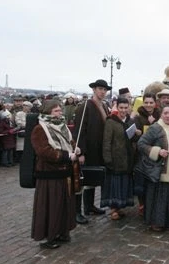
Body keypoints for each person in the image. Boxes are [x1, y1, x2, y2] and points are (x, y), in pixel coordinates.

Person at [31, 100, 79, 249]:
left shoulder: (63, 127)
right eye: (56, 111)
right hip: (49, 174)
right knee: (51, 206)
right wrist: (66, 156)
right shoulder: (40, 129)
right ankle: (50, 237)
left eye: (60, 110)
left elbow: (70, 142)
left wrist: (76, 149)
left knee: (64, 204)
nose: (60, 113)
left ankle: (63, 232)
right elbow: (44, 151)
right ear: (47, 112)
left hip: (65, 172)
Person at [138, 104, 169, 231]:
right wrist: (157, 151)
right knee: (159, 198)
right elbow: (141, 144)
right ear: (161, 114)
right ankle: (156, 222)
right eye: (165, 113)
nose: (168, 115)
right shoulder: (155, 128)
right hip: (160, 170)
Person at [73, 79, 111, 224]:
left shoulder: (105, 106)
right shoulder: (85, 106)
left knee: (92, 178)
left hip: (97, 149)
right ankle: (77, 211)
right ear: (94, 90)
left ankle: (89, 206)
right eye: (100, 89)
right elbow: (79, 130)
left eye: (104, 90)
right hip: (86, 150)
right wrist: (80, 152)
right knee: (81, 181)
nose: (102, 92)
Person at [101, 97, 136, 220]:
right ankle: (113, 209)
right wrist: (107, 159)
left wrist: (137, 135)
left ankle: (120, 207)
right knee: (114, 185)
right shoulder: (111, 121)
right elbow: (106, 141)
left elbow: (132, 140)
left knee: (123, 183)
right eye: (121, 107)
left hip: (127, 159)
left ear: (129, 108)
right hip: (115, 158)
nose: (123, 110)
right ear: (117, 107)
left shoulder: (131, 121)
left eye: (126, 108)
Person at [133, 93, 161, 216]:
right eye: (146, 102)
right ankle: (142, 204)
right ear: (143, 103)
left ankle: (153, 204)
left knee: (154, 180)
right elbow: (134, 137)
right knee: (141, 181)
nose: (148, 105)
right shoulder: (137, 117)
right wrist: (137, 133)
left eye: (151, 102)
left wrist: (153, 123)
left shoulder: (160, 116)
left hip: (156, 153)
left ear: (155, 103)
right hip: (142, 154)